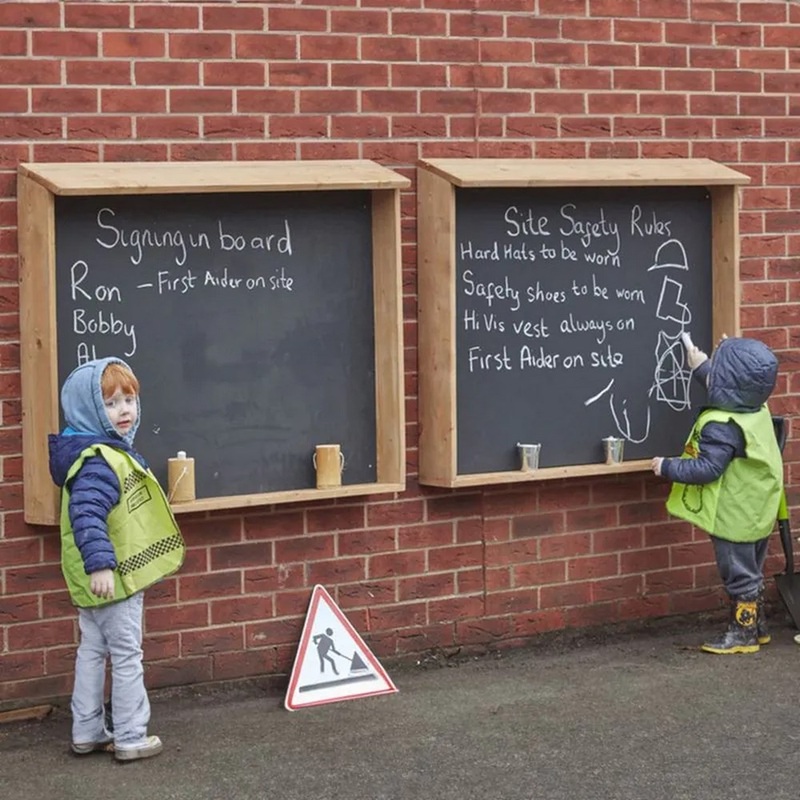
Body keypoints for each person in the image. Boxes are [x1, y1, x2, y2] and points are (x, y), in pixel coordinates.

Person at [48, 357, 185, 760]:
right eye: (110, 403)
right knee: (126, 654)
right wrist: (102, 564)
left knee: (91, 651)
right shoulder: (98, 461)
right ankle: (129, 735)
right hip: (114, 577)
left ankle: (87, 730)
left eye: (129, 400)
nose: (124, 411)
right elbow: (87, 514)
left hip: (92, 578)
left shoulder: (87, 453)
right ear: (89, 410)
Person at [651, 335, 783, 654]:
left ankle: (743, 634)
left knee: (737, 574)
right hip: (759, 507)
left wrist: (667, 466)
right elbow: (730, 387)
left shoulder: (721, 425)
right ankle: (756, 624)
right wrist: (700, 366)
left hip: (733, 514)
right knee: (751, 569)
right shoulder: (754, 407)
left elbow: (707, 469)